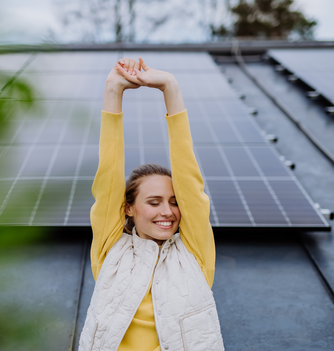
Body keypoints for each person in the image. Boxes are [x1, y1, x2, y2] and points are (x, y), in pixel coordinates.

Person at [78, 57, 224, 351]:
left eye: (173, 202)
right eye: (154, 202)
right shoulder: (111, 250)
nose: (167, 211)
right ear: (128, 208)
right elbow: (108, 170)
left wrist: (169, 87)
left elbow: (190, 182)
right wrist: (113, 89)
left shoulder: (195, 253)